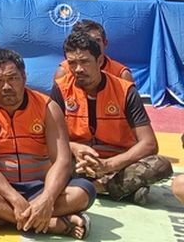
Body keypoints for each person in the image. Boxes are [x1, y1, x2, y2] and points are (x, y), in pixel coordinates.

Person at [0, 49, 95, 239]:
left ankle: (6, 217)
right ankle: (53, 223)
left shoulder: (48, 107)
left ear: (24, 77)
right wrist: (14, 198)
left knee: (84, 191)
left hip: (41, 186)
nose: (6, 86)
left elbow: (62, 160)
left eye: (13, 78)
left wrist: (47, 198)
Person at [51, 31, 171, 203]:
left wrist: (108, 165)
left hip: (118, 163)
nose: (78, 69)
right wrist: (74, 148)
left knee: (161, 165)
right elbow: (51, 137)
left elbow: (149, 144)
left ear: (99, 61)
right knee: (43, 158)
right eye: (72, 63)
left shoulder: (125, 91)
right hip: (78, 161)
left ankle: (95, 186)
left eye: (84, 61)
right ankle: (119, 189)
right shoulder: (61, 89)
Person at [52, 20, 133, 84]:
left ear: (105, 43)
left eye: (97, 40)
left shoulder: (121, 75)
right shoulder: (64, 72)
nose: (93, 45)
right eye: (87, 41)